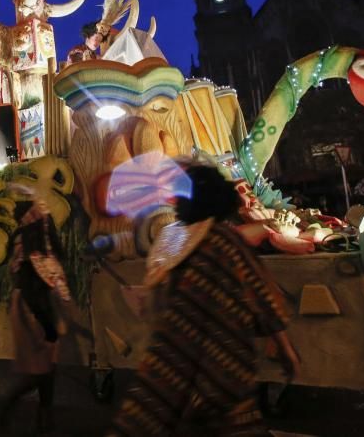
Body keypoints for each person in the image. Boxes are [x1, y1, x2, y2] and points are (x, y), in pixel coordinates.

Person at [108, 163, 298, 436]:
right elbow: (261, 293)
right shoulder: (224, 242)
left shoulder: (176, 244)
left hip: (181, 365)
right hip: (227, 365)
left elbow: (160, 304)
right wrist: (285, 349)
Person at [0, 197, 65, 434]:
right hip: (31, 309)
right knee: (39, 370)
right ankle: (7, 405)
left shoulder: (34, 241)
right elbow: (27, 286)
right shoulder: (25, 244)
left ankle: (44, 415)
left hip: (40, 305)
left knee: (49, 366)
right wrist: (47, 325)